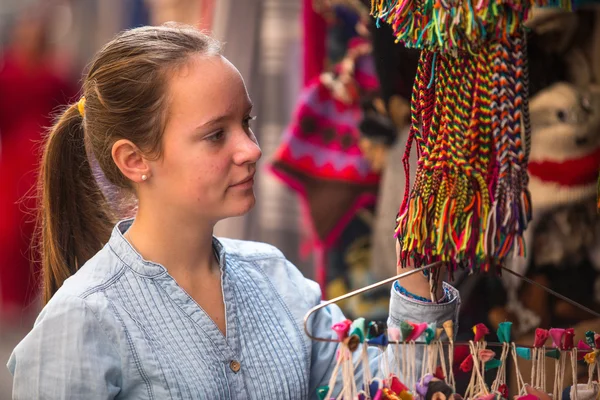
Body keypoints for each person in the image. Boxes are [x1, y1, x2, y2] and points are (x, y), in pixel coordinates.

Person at [7, 24, 460, 399]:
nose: (252, 149)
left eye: (245, 123)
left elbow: (394, 389)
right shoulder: (83, 321)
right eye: (215, 135)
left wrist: (417, 274)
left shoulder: (278, 282)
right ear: (134, 160)